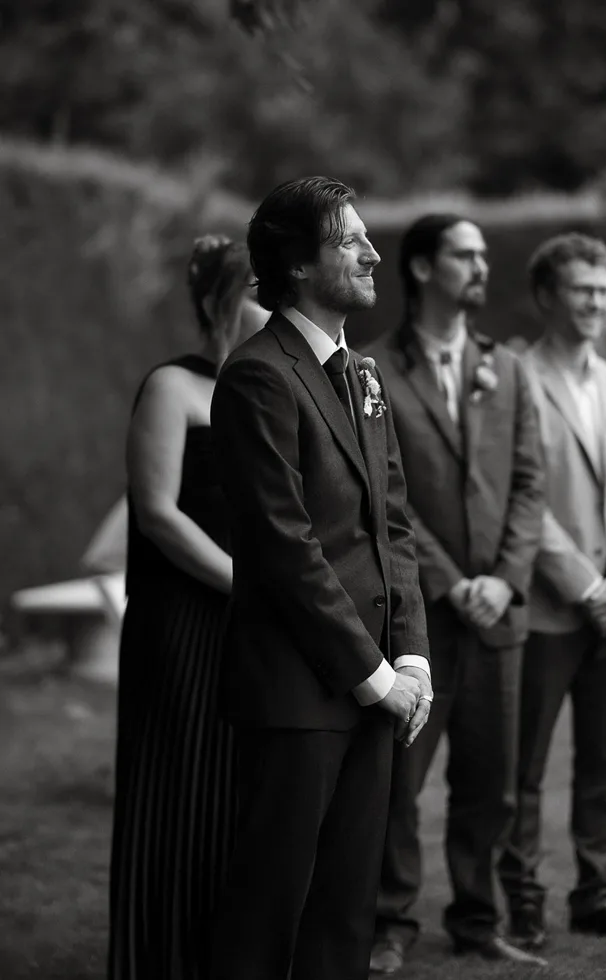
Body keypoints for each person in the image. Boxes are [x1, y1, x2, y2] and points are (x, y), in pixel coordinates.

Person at [208, 176, 432, 980]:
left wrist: (411, 657)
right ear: (299, 266)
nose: (374, 254)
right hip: (299, 694)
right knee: (268, 910)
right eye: (350, 242)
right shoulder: (258, 375)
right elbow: (283, 546)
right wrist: (373, 675)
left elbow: (391, 529)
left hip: (375, 688)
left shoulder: (362, 374)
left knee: (344, 911)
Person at [366, 214, 546, 973]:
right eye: (463, 255)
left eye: (482, 255)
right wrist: (449, 580)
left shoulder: (507, 368)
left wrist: (503, 581)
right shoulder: (373, 369)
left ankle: (477, 919)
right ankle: (389, 922)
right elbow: (384, 496)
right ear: (420, 269)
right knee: (397, 784)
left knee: (490, 783)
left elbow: (531, 486)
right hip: (418, 618)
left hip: (499, 616)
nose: (481, 267)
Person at [499, 233, 606, 949]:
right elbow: (518, 500)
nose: (597, 301)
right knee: (524, 769)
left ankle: (597, 895)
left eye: (604, 289)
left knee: (604, 764)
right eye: (581, 289)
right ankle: (524, 900)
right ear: (545, 296)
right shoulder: (514, 379)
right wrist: (586, 584)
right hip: (545, 611)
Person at [108, 235, 265, 980]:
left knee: (238, 796)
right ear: (217, 303)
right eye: (259, 293)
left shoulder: (270, 391)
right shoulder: (172, 387)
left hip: (254, 624)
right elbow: (158, 513)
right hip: (181, 622)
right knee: (179, 791)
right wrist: (247, 584)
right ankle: (159, 958)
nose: (273, 308)